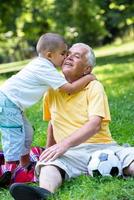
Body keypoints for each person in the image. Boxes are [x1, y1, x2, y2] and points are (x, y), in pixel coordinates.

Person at [9, 43, 134, 200]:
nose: (69, 57)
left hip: (102, 147)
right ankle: (44, 194)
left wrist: (64, 144)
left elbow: (95, 125)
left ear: (87, 70)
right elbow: (53, 123)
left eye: (77, 56)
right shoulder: (51, 90)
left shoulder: (94, 86)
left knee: (130, 157)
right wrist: (48, 151)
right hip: (71, 154)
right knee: (49, 165)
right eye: (68, 54)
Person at [0, 34, 95, 185]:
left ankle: (25, 165)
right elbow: (69, 89)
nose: (66, 57)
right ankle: (9, 172)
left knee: (27, 132)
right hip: (7, 102)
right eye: (63, 54)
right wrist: (89, 78)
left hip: (12, 103)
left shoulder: (43, 65)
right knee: (14, 137)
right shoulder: (44, 67)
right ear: (50, 55)